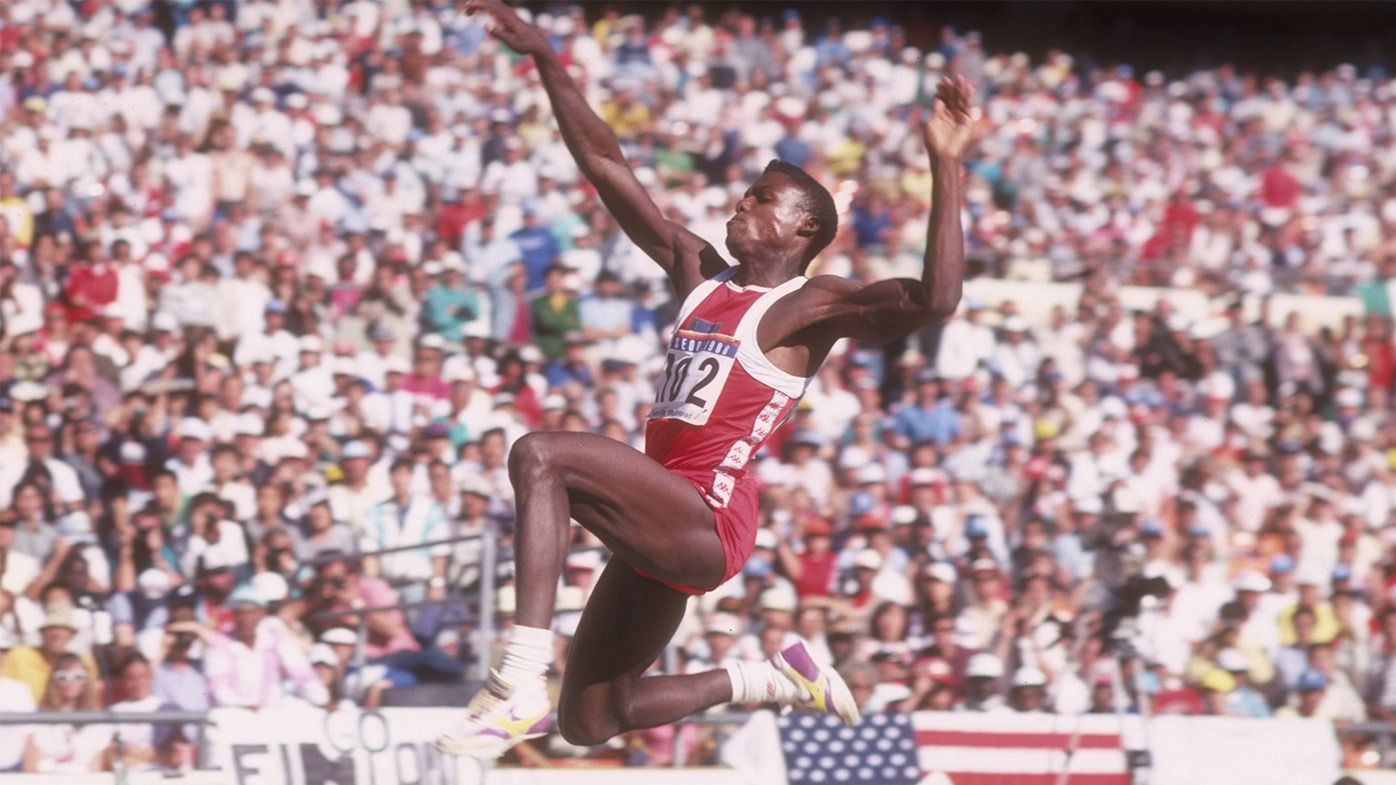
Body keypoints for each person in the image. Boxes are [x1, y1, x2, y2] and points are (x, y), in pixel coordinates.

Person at [437, 0, 976, 758]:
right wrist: (547, 60)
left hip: (707, 518)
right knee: (590, 718)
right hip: (663, 511)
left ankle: (518, 676)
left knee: (541, 453)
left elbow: (936, 298)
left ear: (801, 231)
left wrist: (945, 162)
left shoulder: (807, 304)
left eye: (760, 199)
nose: (740, 202)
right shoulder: (701, 274)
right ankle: (765, 678)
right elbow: (605, 165)